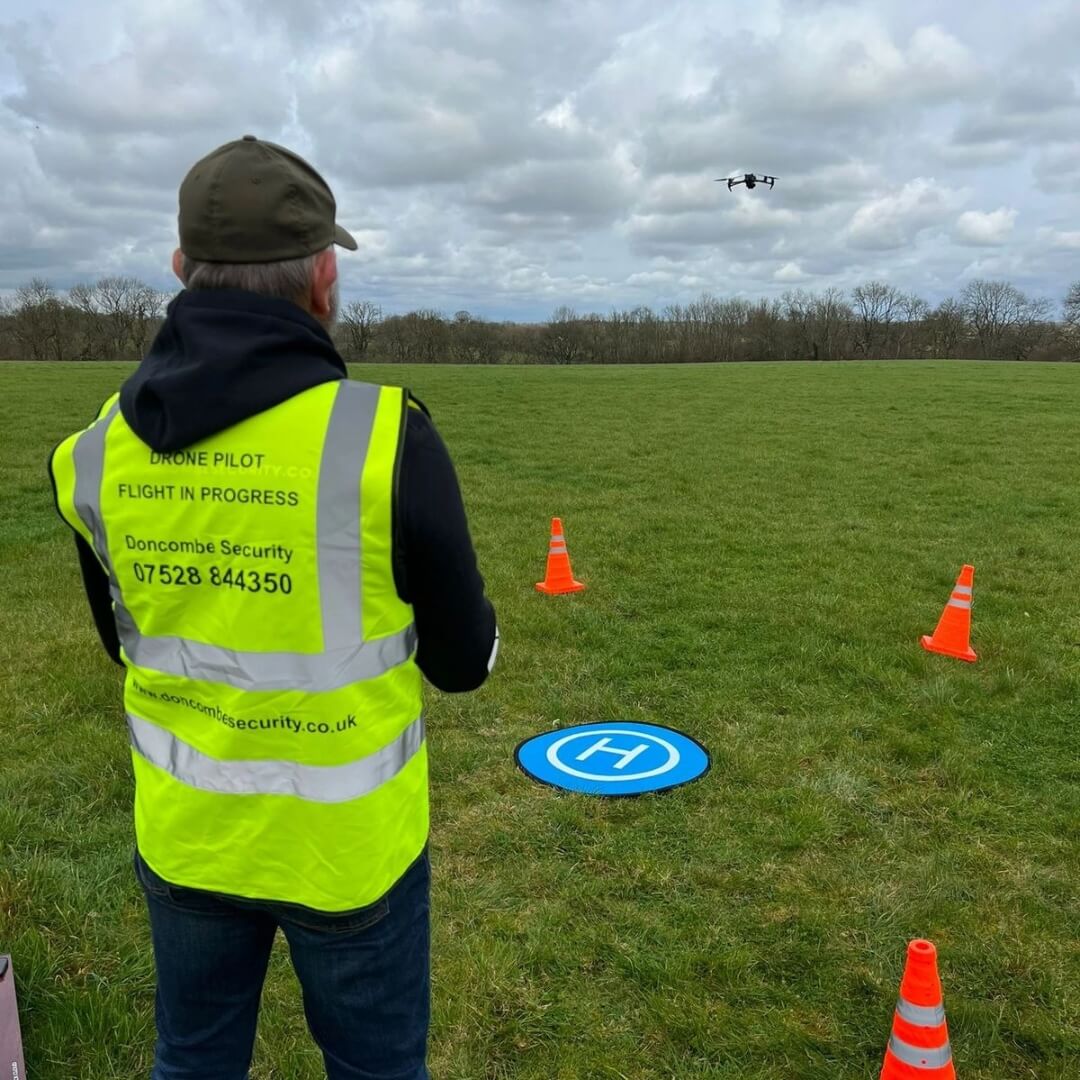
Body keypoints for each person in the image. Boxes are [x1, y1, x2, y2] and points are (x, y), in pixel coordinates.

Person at [48, 135, 498, 1080]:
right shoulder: (386, 438)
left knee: (195, 1059)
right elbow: (462, 663)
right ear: (324, 278)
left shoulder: (93, 453)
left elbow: (121, 641)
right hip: (349, 853)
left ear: (180, 270)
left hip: (188, 838)